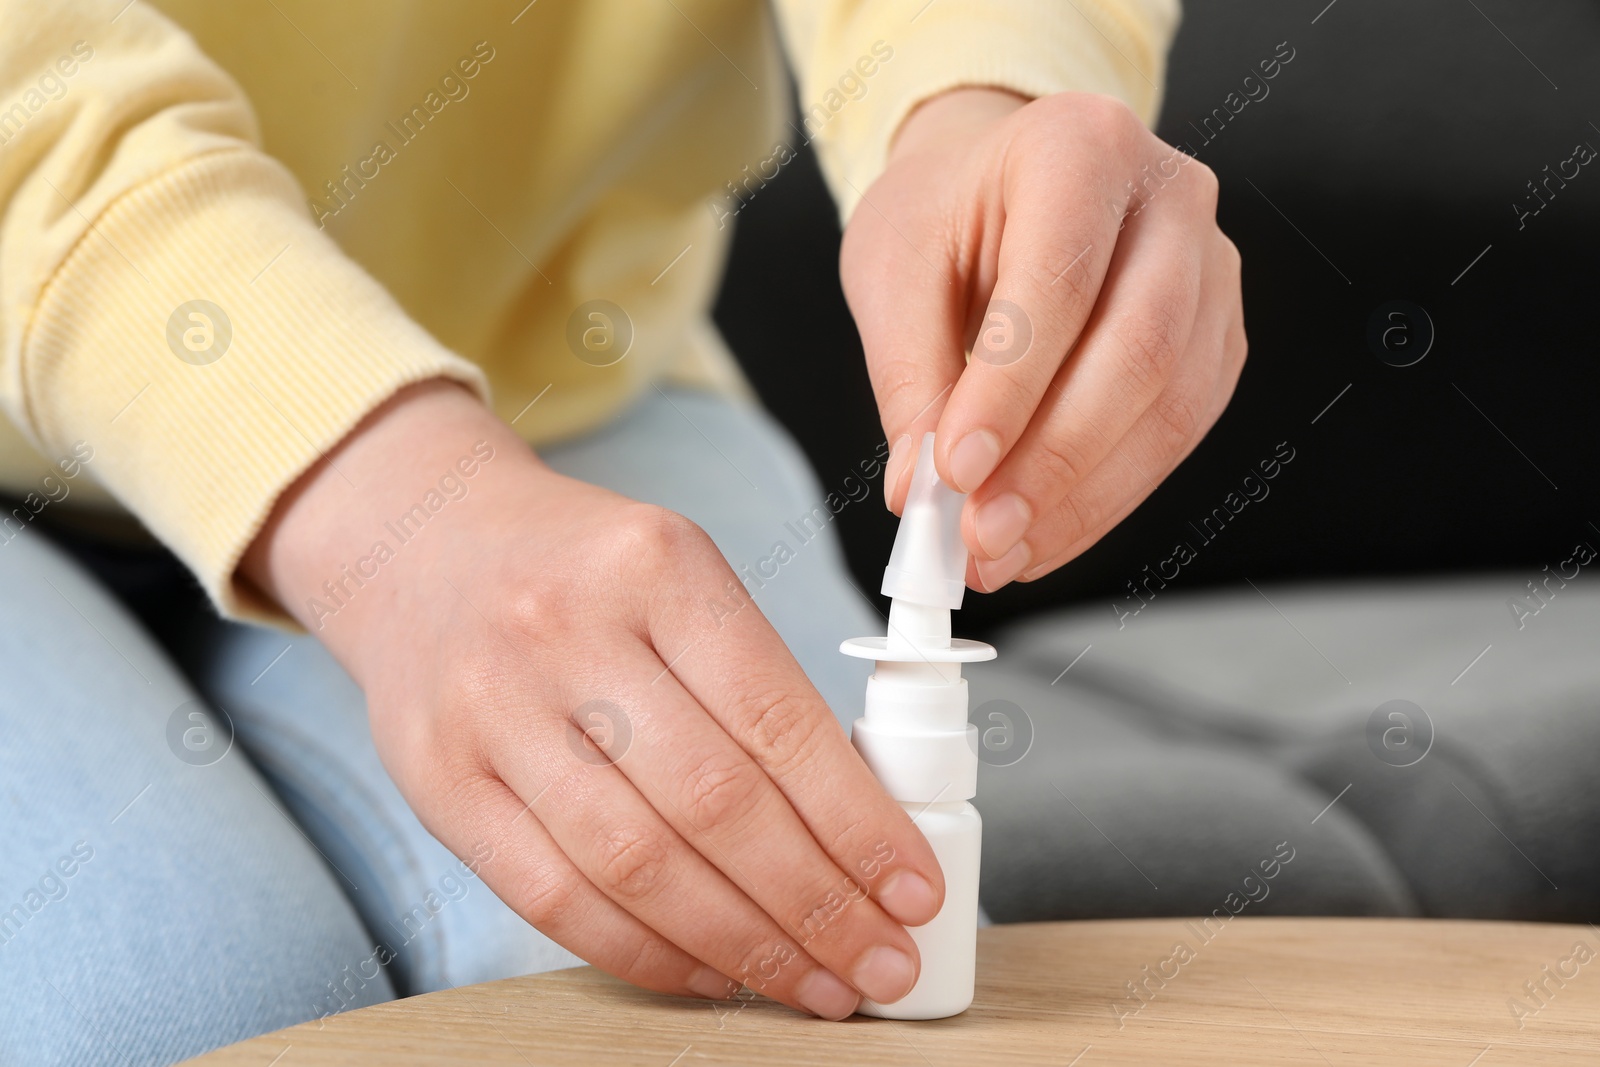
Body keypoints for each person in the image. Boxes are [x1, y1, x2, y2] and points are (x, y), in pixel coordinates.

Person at [0, 0, 1243, 1061]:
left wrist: (983, 99)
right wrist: (390, 505)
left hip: (556, 381)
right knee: (189, 1017)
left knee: (733, 978)